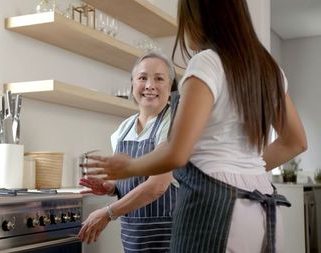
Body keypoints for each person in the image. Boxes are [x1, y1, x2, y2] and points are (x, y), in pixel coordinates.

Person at [84, 1, 307, 252]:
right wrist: (243, 170)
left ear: (196, 16)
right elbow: (295, 142)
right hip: (262, 206)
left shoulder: (207, 62)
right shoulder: (269, 69)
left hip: (215, 209)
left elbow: (178, 153)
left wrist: (130, 166)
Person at [77, 52, 178, 253]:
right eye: (142, 78)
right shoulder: (123, 129)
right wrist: (111, 187)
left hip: (169, 235)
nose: (149, 85)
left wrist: (107, 213)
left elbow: (157, 185)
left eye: (159, 78)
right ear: (132, 84)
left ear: (171, 87)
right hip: (133, 237)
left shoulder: (174, 124)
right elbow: (133, 178)